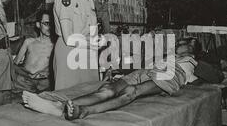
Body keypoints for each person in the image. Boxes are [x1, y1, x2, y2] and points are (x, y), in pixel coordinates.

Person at [22, 42, 199, 120]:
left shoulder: (194, 63)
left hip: (171, 74)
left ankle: (85, 111)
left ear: (192, 49)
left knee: (132, 92)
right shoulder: (167, 55)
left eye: (185, 43)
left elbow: (216, 76)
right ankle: (59, 107)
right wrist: (115, 71)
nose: (180, 43)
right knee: (107, 89)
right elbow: (139, 62)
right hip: (149, 70)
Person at [52, 0, 105, 90]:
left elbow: (93, 33)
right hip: (69, 52)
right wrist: (94, 43)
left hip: (87, 52)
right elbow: (69, 39)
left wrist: (103, 40)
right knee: (68, 96)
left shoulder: (88, 1)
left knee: (90, 94)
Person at [13, 11, 54, 93]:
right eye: (46, 23)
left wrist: (46, 73)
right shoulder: (29, 42)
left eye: (52, 24)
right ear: (38, 25)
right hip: (25, 80)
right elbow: (15, 64)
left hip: (43, 83)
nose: (49, 27)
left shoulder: (54, 46)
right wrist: (24, 74)